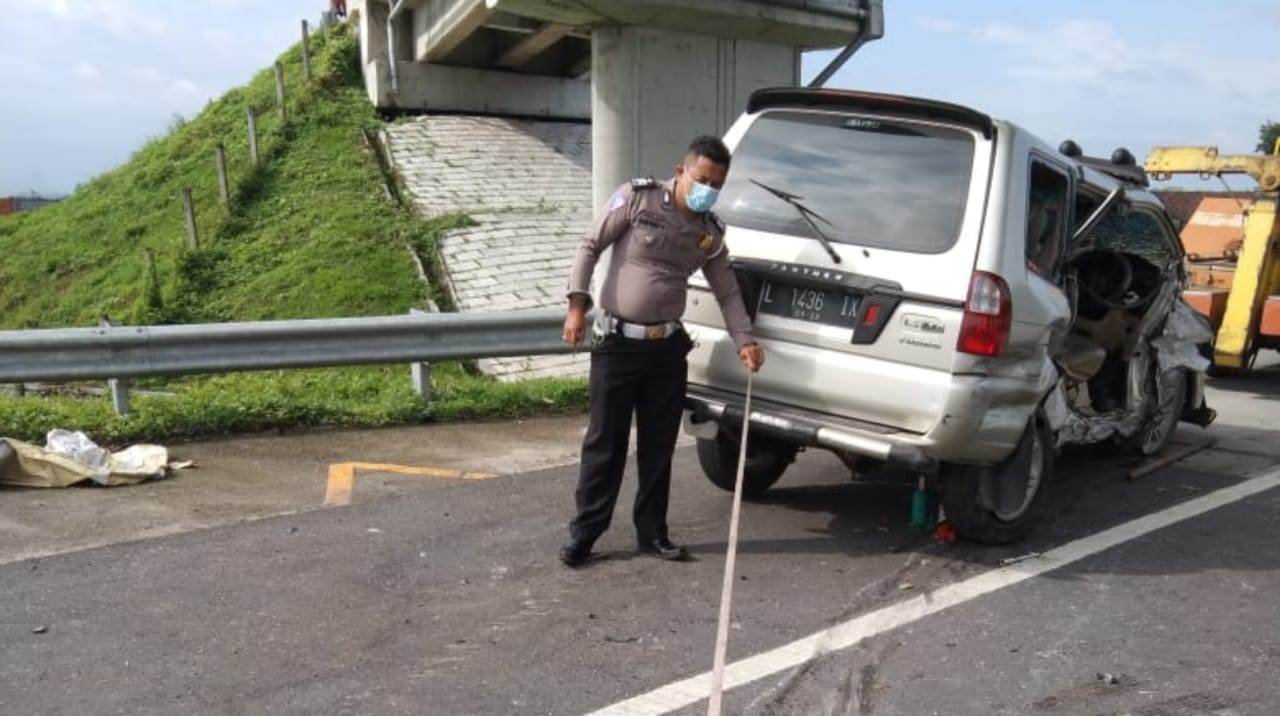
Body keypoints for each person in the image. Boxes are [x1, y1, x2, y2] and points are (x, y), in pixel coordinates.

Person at [559, 135, 764, 568]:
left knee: (659, 446)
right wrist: (577, 305)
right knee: (605, 444)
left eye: (716, 184)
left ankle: (653, 532)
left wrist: (745, 340)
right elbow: (589, 246)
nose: (707, 188)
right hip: (617, 344)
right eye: (701, 178)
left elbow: (727, 291)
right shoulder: (638, 200)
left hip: (667, 350)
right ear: (681, 172)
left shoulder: (709, 233)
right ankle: (585, 532)